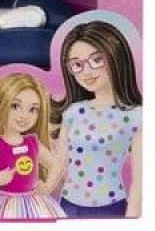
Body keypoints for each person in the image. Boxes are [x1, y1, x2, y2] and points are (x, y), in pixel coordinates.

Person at [51, 20, 143, 218]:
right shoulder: (73, 112)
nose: (87, 71)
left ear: (115, 56)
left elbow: (140, 178)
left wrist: (132, 218)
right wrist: (43, 188)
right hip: (68, 205)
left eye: (96, 60)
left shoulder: (135, 116)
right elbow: (60, 161)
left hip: (110, 207)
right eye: (77, 65)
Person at [0, 72, 64, 218]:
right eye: (15, 106)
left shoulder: (33, 143)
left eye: (33, 109)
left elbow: (56, 165)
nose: (24, 116)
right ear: (0, 106)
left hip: (34, 202)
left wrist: (48, 186)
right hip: (5, 203)